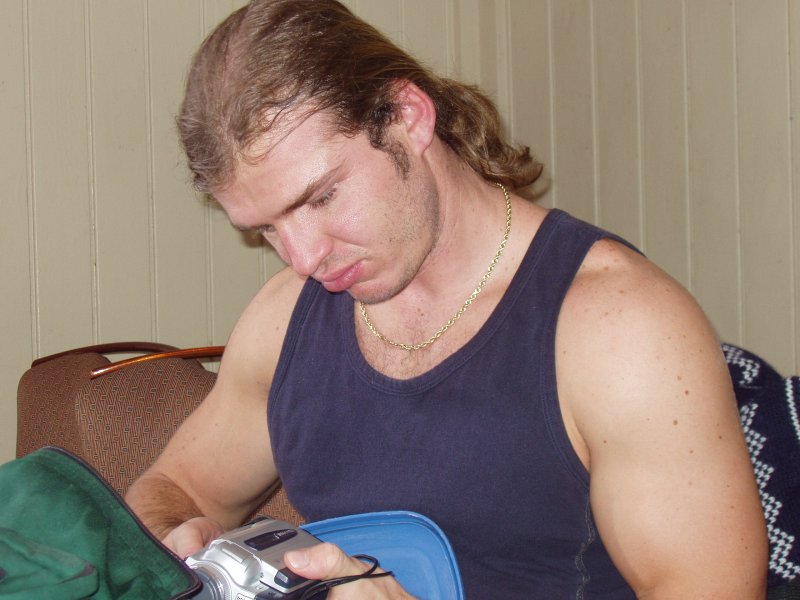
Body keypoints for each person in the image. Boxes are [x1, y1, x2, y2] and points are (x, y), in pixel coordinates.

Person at [125, 0, 769, 597]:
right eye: (265, 228)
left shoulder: (620, 329)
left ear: (408, 116)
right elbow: (173, 488)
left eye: (321, 198)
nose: (302, 258)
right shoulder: (283, 320)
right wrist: (174, 539)